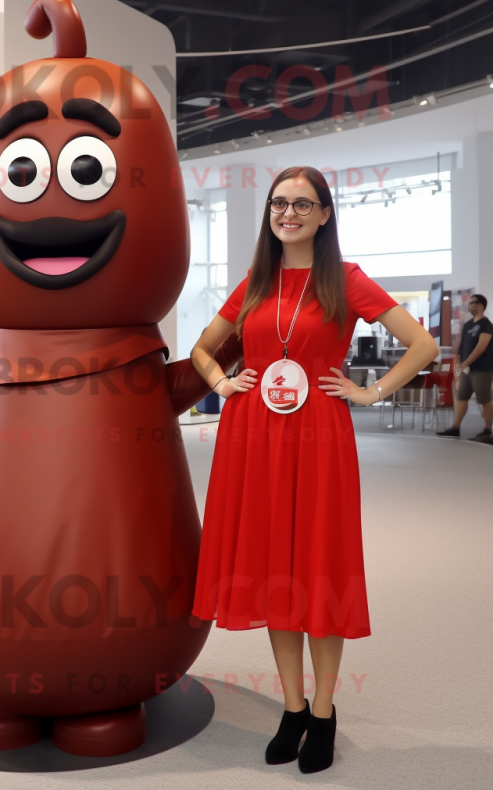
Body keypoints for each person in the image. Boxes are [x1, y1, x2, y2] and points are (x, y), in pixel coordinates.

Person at [190, 166, 438, 774]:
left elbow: (423, 345)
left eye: (303, 204)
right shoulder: (255, 280)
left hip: (318, 438)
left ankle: (325, 713)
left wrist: (371, 392)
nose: (289, 213)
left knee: (318, 569)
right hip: (253, 438)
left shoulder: (345, 280)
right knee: (276, 567)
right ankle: (293, 707)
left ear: (325, 214)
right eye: (279, 203)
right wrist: (224, 381)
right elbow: (202, 349)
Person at [436, 293, 493, 440]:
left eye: (475, 302)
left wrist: (466, 363)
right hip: (466, 370)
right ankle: (456, 427)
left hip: (482, 369)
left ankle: (488, 431)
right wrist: (459, 361)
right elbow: (462, 346)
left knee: (484, 398)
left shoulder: (487, 325)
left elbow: (481, 347)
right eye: (470, 302)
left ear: (481, 306)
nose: (471, 305)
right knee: (461, 397)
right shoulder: (468, 325)